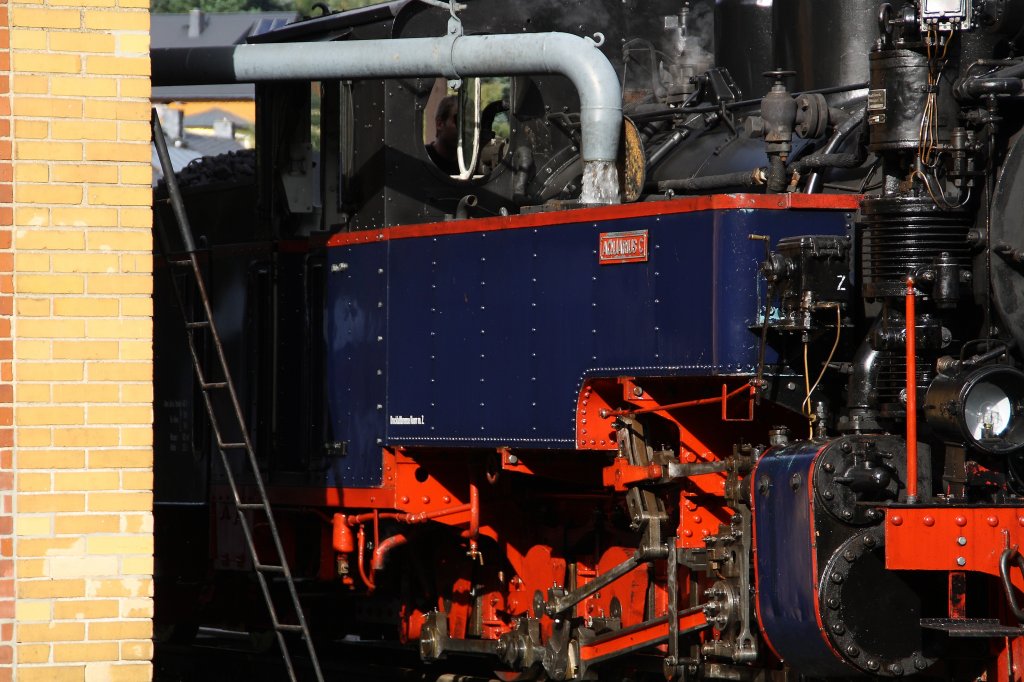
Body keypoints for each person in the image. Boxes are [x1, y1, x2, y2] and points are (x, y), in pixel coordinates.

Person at [426, 95, 460, 176]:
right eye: (458, 120)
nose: (467, 129)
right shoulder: (422, 158)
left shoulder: (471, 165)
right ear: (439, 124)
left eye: (470, 123)